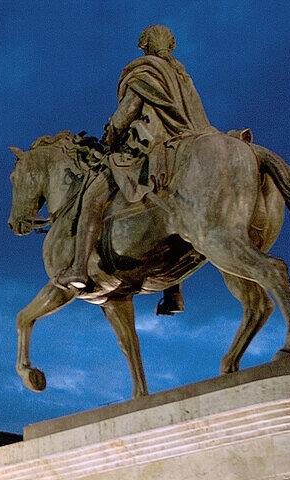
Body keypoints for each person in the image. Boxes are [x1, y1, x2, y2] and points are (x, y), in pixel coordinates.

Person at [57, 24, 216, 309]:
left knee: (93, 196)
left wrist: (112, 133)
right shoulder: (181, 73)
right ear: (173, 44)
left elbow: (129, 109)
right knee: (175, 207)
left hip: (149, 146)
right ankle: (173, 291)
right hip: (184, 143)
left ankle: (79, 267)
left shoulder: (145, 70)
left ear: (143, 44)